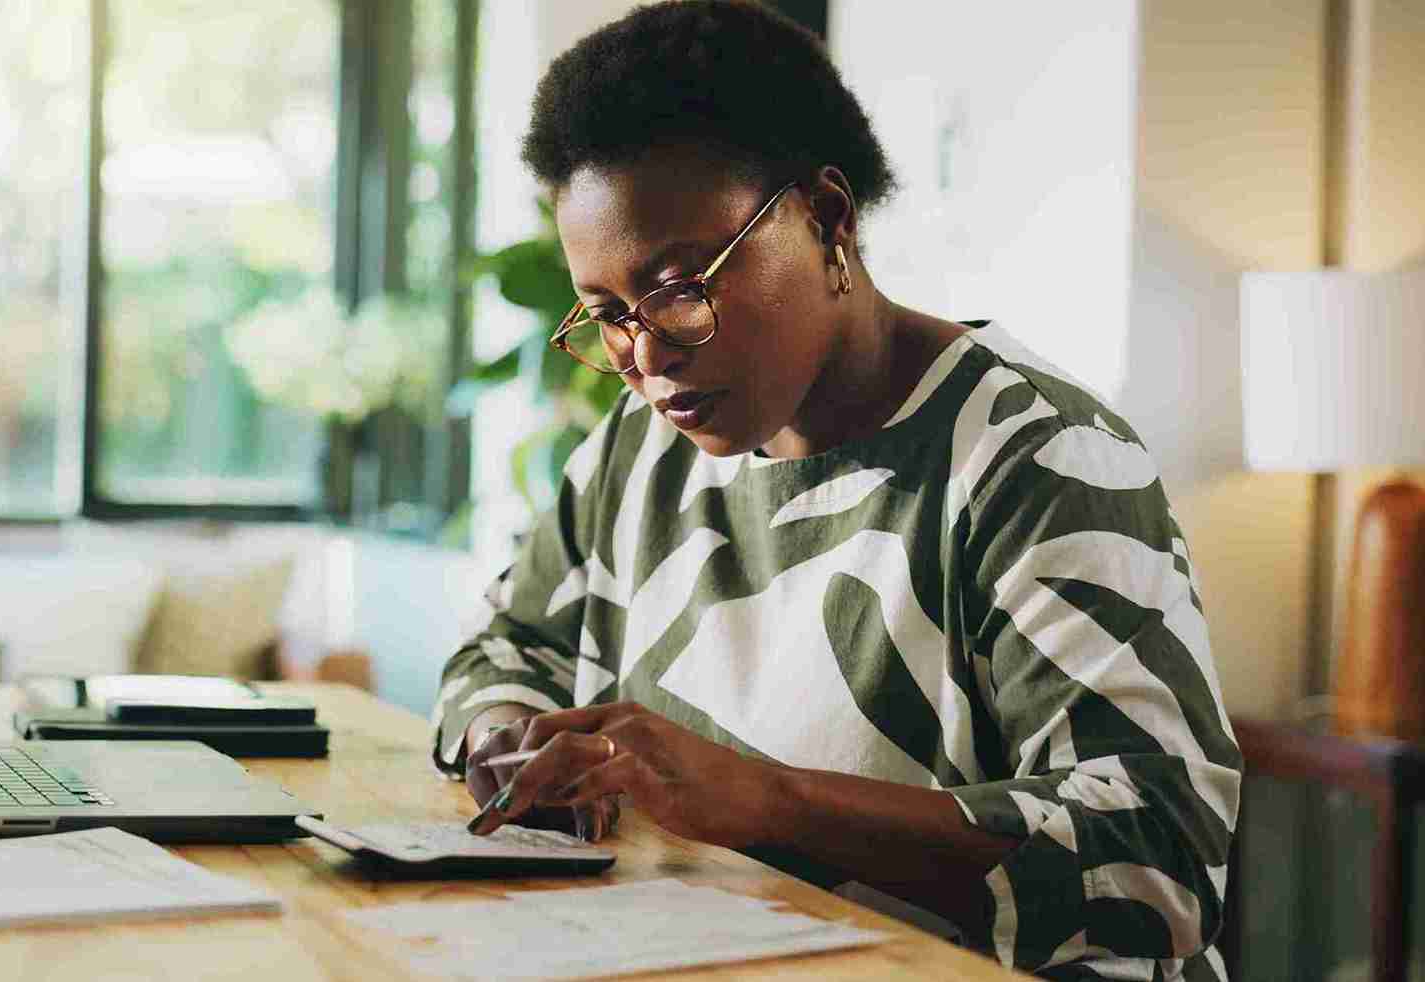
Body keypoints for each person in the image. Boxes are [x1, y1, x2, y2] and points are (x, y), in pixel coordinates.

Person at [427, 2, 1239, 979]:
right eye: (607, 314)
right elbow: (505, 646)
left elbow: (1156, 855)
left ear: (827, 218)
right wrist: (508, 735)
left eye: (682, 286)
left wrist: (768, 799)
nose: (644, 354)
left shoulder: (1033, 459)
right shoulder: (636, 453)